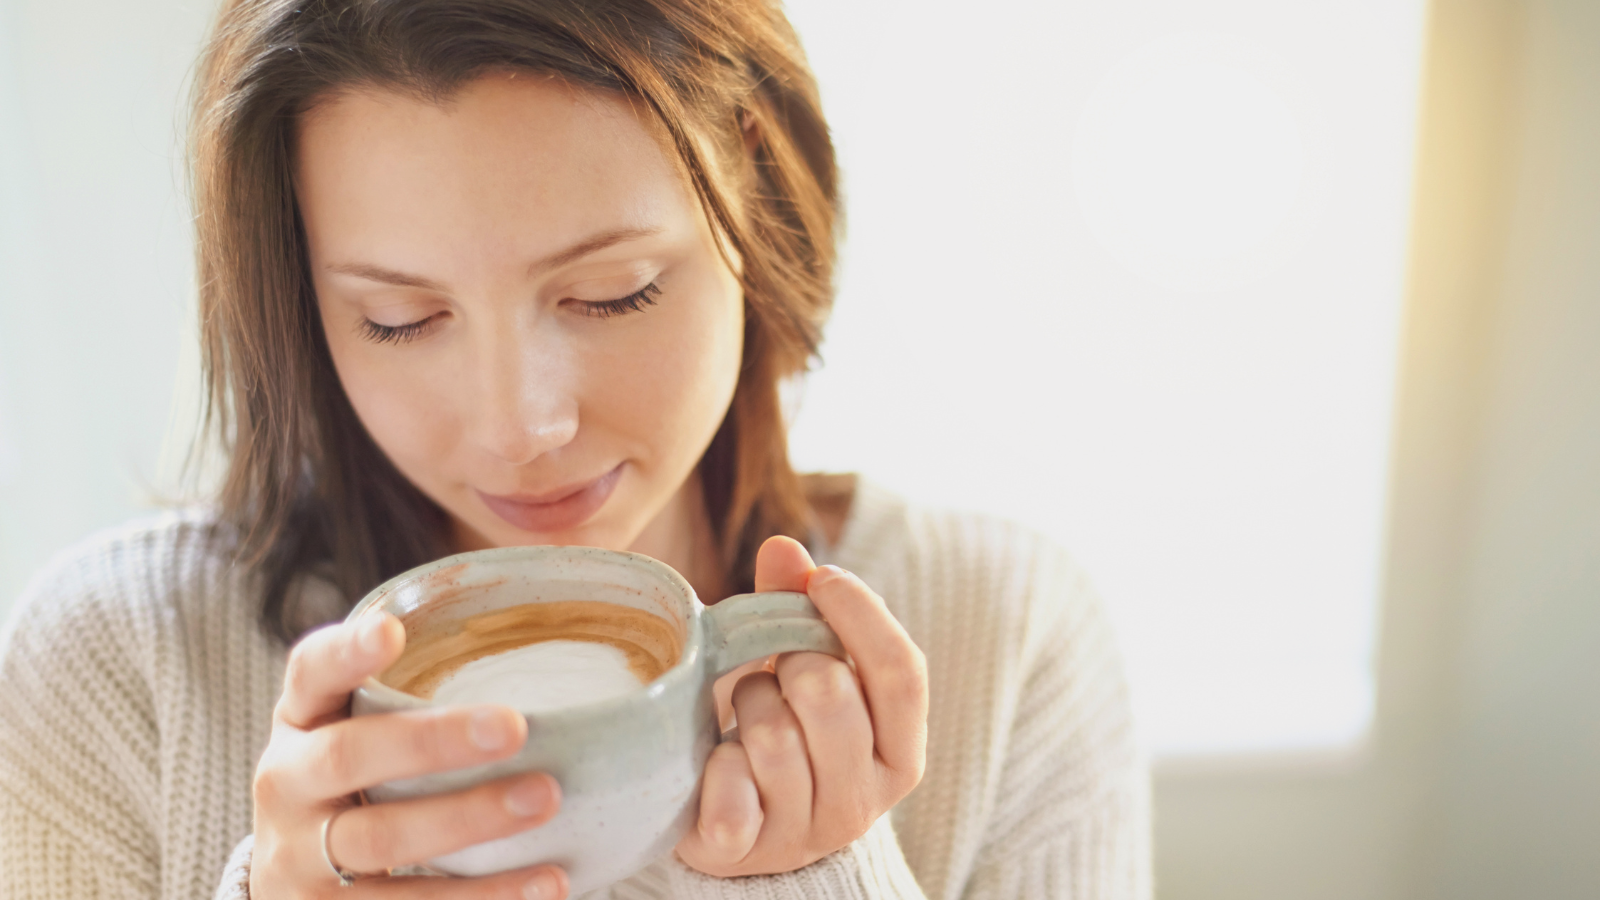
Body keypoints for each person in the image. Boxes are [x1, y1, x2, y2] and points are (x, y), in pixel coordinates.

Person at [0, 0, 1149, 897]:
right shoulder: (123, 672)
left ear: (750, 190)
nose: (520, 427)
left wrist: (820, 876)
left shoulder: (1002, 643)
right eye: (399, 319)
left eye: (612, 294)